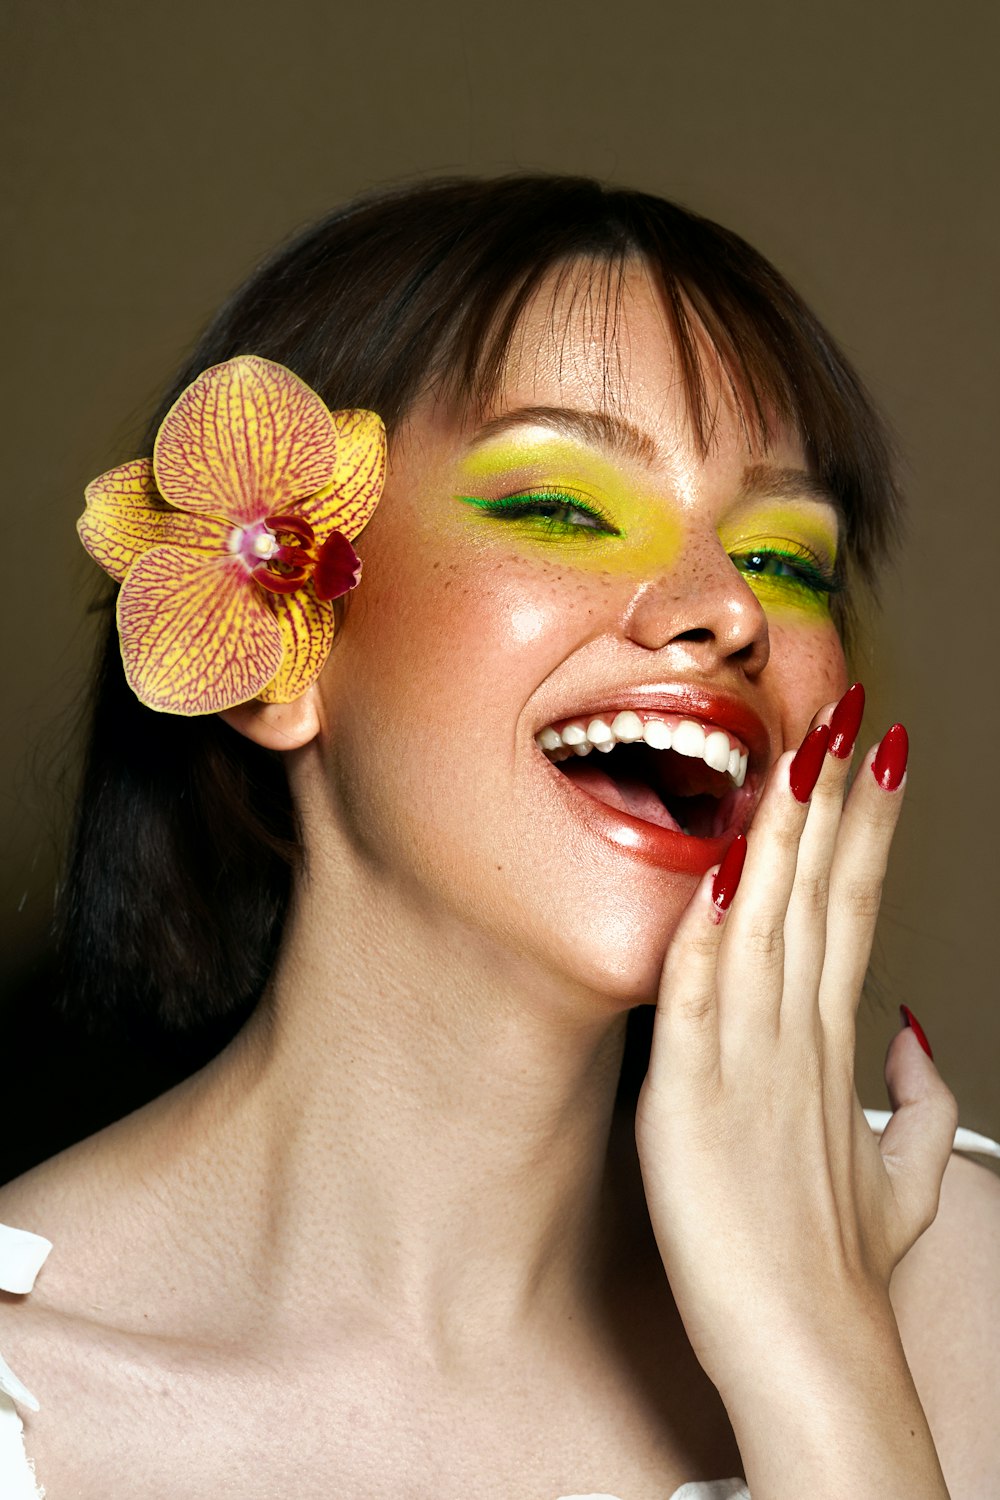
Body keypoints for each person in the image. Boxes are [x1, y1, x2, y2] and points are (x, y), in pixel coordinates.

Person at [1, 176, 998, 1500]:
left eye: (789, 561)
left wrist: (819, 1354)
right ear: (275, 654)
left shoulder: (948, 1281)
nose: (725, 612)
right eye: (562, 507)